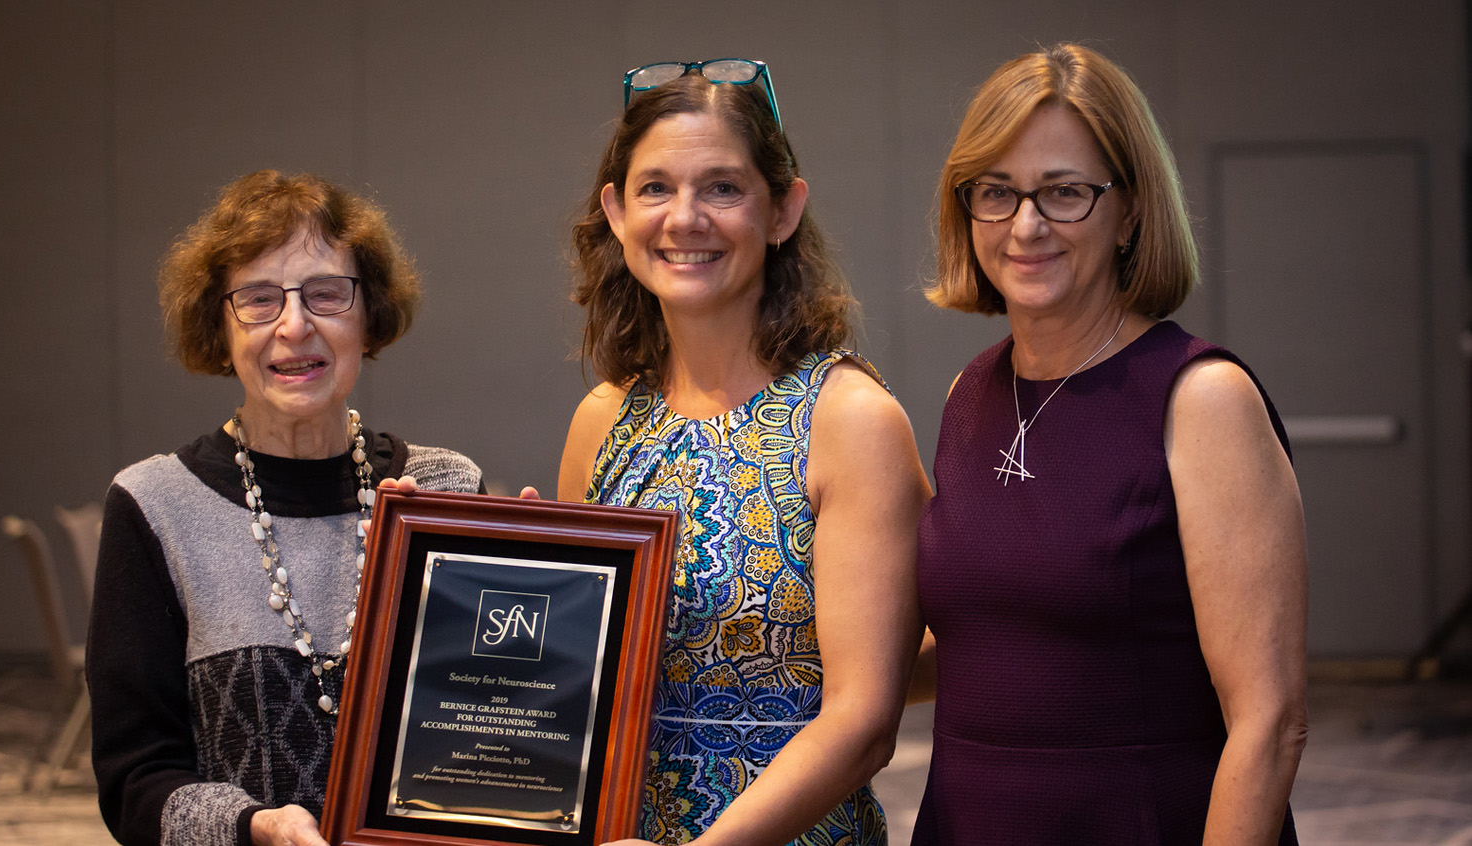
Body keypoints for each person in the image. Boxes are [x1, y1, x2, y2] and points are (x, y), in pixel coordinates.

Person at [913, 43, 1309, 845]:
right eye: (997, 193)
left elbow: (1269, 723)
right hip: (965, 821)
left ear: (1130, 209)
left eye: (1064, 193)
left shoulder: (1201, 399)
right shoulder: (969, 396)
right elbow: (978, 643)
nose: (1026, 225)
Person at [556, 60, 929, 846]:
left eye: (722, 188)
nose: (685, 217)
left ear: (784, 210)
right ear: (616, 213)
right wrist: (512, 579)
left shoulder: (847, 419)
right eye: (655, 188)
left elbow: (864, 723)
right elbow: (577, 693)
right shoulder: (602, 423)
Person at [86, 170, 485, 846]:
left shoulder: (445, 487)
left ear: (370, 314)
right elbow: (134, 783)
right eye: (258, 299)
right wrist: (251, 826)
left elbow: (498, 723)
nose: (294, 325)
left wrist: (546, 581)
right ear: (219, 324)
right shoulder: (154, 505)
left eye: (327, 294)